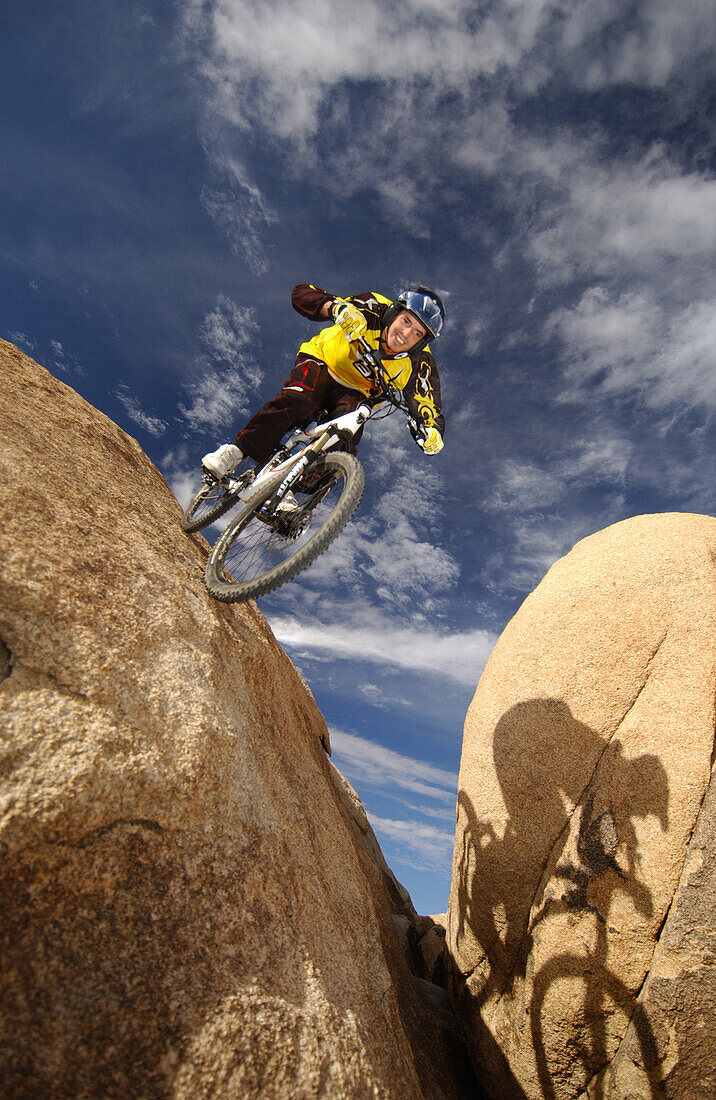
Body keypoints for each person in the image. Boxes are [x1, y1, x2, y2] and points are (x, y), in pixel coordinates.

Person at [201, 282, 446, 479]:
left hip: (355, 393)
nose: (405, 334)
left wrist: (432, 431)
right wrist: (335, 308)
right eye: (406, 321)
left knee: (343, 442)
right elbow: (302, 293)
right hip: (323, 362)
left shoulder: (419, 362)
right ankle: (235, 452)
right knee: (300, 401)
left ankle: (288, 492)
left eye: (417, 333)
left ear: (422, 342)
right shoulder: (373, 307)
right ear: (394, 312)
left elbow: (427, 401)